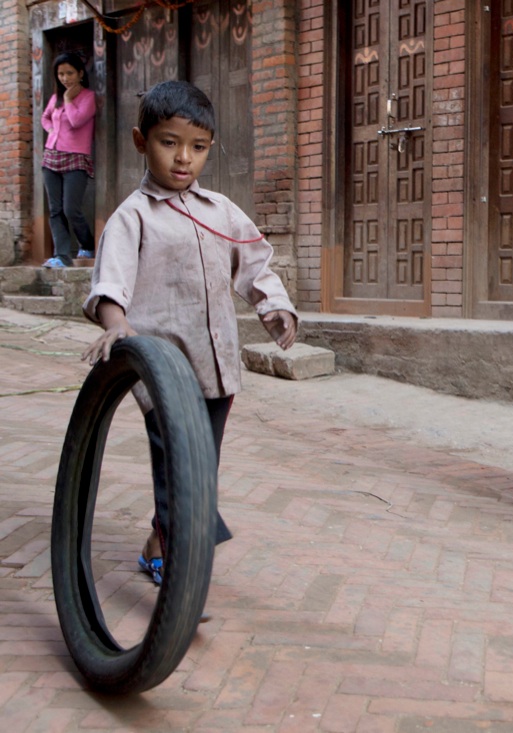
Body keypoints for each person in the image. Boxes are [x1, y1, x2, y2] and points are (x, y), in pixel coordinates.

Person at [81, 80, 298, 586]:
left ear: (209, 149)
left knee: (204, 464)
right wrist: (117, 327)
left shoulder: (221, 211)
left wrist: (275, 308)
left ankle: (166, 538)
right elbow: (110, 284)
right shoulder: (131, 218)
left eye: (197, 147)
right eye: (168, 142)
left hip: (217, 367)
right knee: (179, 465)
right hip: (162, 373)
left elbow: (255, 263)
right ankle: (181, 569)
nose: (183, 158)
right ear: (142, 141)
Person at [41, 52, 97, 267]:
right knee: (55, 210)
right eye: (61, 74)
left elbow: (75, 121)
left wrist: (68, 99)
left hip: (76, 158)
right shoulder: (54, 97)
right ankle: (62, 257)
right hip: (51, 157)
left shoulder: (88, 97)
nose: (65, 78)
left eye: (69, 73)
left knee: (70, 209)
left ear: (80, 73)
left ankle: (87, 243)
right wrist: (52, 129)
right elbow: (46, 117)